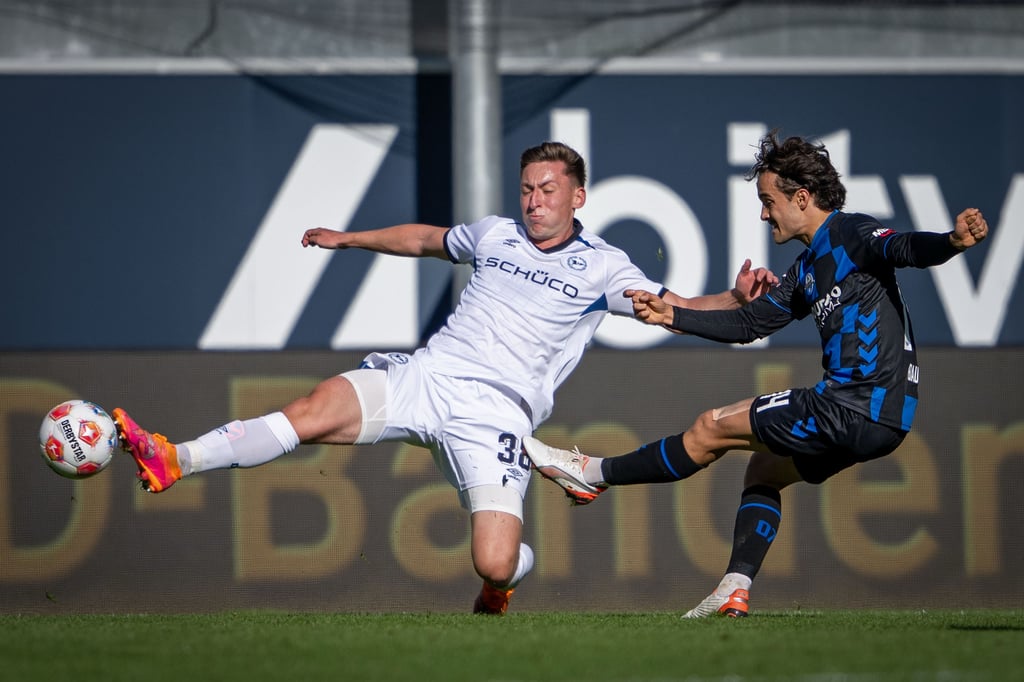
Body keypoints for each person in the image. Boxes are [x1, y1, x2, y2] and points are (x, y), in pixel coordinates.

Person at [112, 141, 776, 615]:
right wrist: (350, 239)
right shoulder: (496, 234)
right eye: (527, 189)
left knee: (493, 558)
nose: (535, 201)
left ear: (578, 196)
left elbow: (672, 306)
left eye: (548, 191)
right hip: (427, 377)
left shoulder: (604, 266)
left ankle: (502, 585)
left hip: (496, 415)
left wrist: (734, 298)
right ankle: (176, 457)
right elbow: (427, 239)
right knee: (313, 409)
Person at [523, 131, 989, 618]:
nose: (764, 214)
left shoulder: (850, 233)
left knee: (712, 425)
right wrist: (672, 315)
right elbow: (749, 323)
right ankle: (735, 587)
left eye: (768, 201)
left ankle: (591, 475)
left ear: (801, 198)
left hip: (854, 404)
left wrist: (952, 242)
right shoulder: (808, 269)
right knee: (765, 469)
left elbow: (904, 249)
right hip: (886, 423)